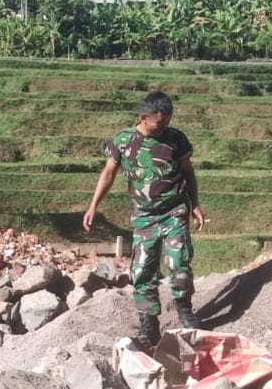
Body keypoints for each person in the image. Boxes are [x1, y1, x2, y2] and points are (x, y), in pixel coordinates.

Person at [82, 90, 206, 349]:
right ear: (144, 117)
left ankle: (185, 311)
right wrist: (93, 206)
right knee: (142, 272)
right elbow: (108, 174)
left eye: (168, 121)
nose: (164, 128)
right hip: (144, 216)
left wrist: (195, 205)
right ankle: (149, 326)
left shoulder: (176, 139)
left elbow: (188, 173)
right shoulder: (123, 141)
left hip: (174, 211)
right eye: (160, 123)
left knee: (179, 263)